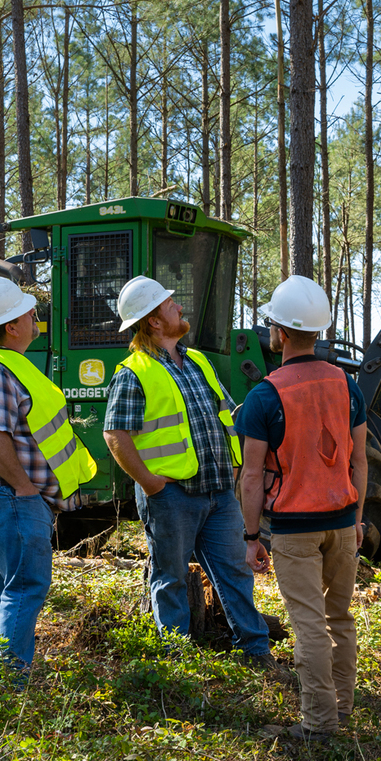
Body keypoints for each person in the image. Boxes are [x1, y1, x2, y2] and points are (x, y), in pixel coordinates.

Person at [103, 276, 277, 664]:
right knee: (172, 579)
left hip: (218, 492)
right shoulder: (133, 372)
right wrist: (149, 484)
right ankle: (177, 660)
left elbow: (228, 414)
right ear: (154, 321)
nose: (178, 307)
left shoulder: (198, 360)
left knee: (235, 573)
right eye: (169, 304)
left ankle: (255, 650)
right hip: (171, 496)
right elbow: (115, 434)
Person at [234, 275, 369, 740]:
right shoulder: (347, 386)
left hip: (293, 528)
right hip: (343, 522)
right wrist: (356, 519)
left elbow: (251, 477)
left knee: (308, 624)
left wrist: (252, 537)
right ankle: (343, 706)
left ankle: (319, 724)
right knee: (340, 617)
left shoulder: (264, 396)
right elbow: (358, 460)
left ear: (281, 333)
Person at [0, 275, 97, 669]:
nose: (35, 316)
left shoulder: (8, 366)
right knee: (26, 587)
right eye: (28, 313)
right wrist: (26, 488)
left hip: (6, 500)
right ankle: (9, 685)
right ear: (11, 326)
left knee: (2, 588)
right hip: (7, 498)